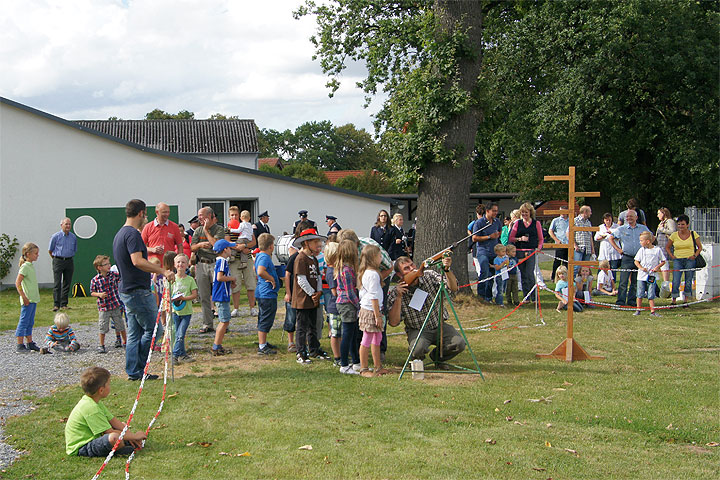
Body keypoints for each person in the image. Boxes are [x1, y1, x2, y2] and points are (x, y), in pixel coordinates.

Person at [113, 199, 173, 381]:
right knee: (154, 330)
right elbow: (137, 261)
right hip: (137, 291)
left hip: (127, 289)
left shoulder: (120, 234)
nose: (145, 217)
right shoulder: (132, 235)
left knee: (134, 333)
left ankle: (134, 371)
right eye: (145, 214)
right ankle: (139, 367)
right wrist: (162, 270)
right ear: (140, 213)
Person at [387, 255, 466, 365]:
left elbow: (453, 288)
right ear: (399, 275)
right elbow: (393, 322)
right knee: (417, 349)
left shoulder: (429, 275)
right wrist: (399, 297)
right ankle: (417, 362)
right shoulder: (396, 292)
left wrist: (447, 270)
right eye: (406, 268)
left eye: (412, 265)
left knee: (459, 343)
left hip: (439, 325)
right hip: (418, 330)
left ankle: (437, 358)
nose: (412, 269)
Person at [65, 367, 146, 457]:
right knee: (114, 437)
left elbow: (114, 421)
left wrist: (130, 435)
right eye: (108, 384)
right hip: (82, 447)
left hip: (95, 438)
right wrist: (135, 436)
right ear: (101, 390)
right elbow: (108, 432)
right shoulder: (91, 408)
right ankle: (118, 449)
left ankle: (124, 443)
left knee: (122, 426)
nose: (110, 386)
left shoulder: (95, 402)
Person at [291, 227, 326, 364]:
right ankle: (301, 351)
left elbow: (317, 276)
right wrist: (312, 294)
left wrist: (318, 292)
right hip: (303, 299)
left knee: (313, 325)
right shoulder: (301, 258)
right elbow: (301, 279)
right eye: (315, 241)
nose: (318, 244)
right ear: (306, 243)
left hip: (313, 298)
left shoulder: (314, 259)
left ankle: (314, 349)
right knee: (302, 326)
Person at [190, 206, 225, 334]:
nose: (200, 218)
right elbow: (192, 247)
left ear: (210, 216)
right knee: (204, 296)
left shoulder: (219, 229)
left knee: (219, 295)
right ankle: (207, 324)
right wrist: (199, 245)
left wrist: (206, 231)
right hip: (201, 264)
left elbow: (216, 245)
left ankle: (223, 323)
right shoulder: (197, 231)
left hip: (215, 263)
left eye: (202, 216)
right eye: (199, 216)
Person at [608, 209, 650, 307]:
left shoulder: (643, 228)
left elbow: (652, 237)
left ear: (636, 217)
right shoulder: (621, 229)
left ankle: (632, 301)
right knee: (623, 281)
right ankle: (621, 301)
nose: (628, 218)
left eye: (631, 216)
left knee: (635, 281)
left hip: (639, 259)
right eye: (627, 217)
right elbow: (611, 238)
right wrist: (618, 249)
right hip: (627, 257)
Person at [357, 244, 387, 377]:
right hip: (371, 311)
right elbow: (373, 297)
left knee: (377, 337)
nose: (381, 258)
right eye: (380, 256)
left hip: (373, 309)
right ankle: (363, 368)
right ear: (373, 258)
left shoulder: (367, 273)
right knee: (367, 339)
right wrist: (377, 316)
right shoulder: (372, 275)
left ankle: (377, 366)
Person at [90, 255, 126, 353]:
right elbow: (92, 292)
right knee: (103, 326)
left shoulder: (114, 275)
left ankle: (125, 341)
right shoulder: (95, 280)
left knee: (120, 324)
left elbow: (121, 278)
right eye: (106, 264)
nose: (109, 266)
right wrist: (99, 294)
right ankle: (101, 345)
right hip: (103, 307)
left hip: (115, 305)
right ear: (99, 267)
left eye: (109, 263)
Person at [508, 202, 544, 302]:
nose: (524, 214)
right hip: (520, 251)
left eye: (526, 212)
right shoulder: (517, 223)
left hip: (531, 251)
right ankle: (526, 296)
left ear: (530, 213)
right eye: (522, 212)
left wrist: (539, 248)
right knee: (523, 274)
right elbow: (511, 237)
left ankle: (534, 297)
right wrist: (519, 239)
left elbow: (541, 239)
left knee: (530, 274)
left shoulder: (536, 223)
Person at [335, 239, 361, 375]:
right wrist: (359, 306)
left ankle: (356, 361)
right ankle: (344, 364)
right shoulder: (347, 270)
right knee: (347, 334)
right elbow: (350, 292)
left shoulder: (344, 268)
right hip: (347, 304)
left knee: (352, 334)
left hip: (346, 303)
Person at [665, 214, 703, 306]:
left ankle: (686, 300)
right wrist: (672, 256)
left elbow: (699, 247)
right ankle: (674, 300)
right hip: (678, 259)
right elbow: (667, 247)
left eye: (682, 224)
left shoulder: (693, 234)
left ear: (687, 225)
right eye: (679, 224)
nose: (680, 226)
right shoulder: (674, 235)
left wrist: (694, 255)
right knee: (676, 280)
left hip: (690, 259)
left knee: (688, 280)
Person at [226, 208, 257, 318]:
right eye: (232, 215)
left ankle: (252, 308)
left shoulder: (246, 226)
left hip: (247, 259)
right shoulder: (228, 229)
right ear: (229, 216)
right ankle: (236, 308)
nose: (234, 217)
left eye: (236, 215)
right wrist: (238, 247)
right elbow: (227, 242)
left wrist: (245, 246)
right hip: (234, 261)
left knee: (251, 283)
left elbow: (253, 241)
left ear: (239, 216)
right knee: (236, 284)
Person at [209, 239, 236, 355]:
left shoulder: (221, 261)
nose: (231, 250)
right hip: (221, 295)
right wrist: (232, 278)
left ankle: (218, 345)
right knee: (224, 321)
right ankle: (216, 346)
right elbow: (220, 277)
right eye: (229, 248)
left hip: (221, 294)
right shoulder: (223, 261)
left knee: (225, 320)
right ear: (225, 250)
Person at [254, 233, 280, 356]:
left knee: (263, 316)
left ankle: (262, 341)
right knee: (266, 317)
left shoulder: (259, 255)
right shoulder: (264, 257)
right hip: (267, 293)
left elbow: (255, 269)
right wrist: (271, 279)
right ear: (270, 246)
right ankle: (262, 345)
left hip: (262, 292)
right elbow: (260, 271)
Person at [471, 202, 502, 303]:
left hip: (494, 252)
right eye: (494, 211)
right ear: (487, 211)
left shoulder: (497, 222)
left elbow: (500, 232)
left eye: (496, 211)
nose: (495, 213)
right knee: (484, 272)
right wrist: (489, 237)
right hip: (483, 251)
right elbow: (474, 238)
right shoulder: (479, 223)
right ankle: (481, 296)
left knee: (492, 274)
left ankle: (488, 297)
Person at [170, 253, 197, 364]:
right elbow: (168, 295)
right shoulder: (172, 279)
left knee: (181, 334)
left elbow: (194, 295)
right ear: (174, 264)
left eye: (183, 262)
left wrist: (184, 298)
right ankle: (182, 354)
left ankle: (175, 356)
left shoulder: (190, 280)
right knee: (177, 334)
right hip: (175, 312)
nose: (180, 264)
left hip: (186, 312)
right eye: (178, 262)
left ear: (187, 265)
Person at [15, 242, 41, 353]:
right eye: (35, 253)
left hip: (33, 299)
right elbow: (18, 283)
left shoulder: (30, 266)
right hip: (28, 300)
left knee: (30, 321)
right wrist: (24, 297)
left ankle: (30, 342)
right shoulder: (25, 267)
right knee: (24, 321)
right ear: (28, 254)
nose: (37, 255)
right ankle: (19, 344)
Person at [48, 217, 77, 312]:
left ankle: (64, 304)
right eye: (66, 224)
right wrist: (56, 259)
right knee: (57, 283)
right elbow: (50, 250)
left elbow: (74, 249)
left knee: (67, 283)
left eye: (69, 224)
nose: (68, 226)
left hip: (69, 261)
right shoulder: (55, 236)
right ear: (61, 225)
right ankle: (56, 304)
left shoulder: (73, 237)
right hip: (58, 260)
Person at [634, 231, 666, 316]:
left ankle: (652, 311)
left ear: (648, 241)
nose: (640, 242)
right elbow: (636, 261)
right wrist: (641, 268)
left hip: (652, 276)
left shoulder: (657, 250)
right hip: (641, 276)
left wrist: (657, 267)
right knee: (640, 293)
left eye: (641, 240)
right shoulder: (641, 250)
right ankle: (638, 310)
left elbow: (663, 261)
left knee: (651, 293)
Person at [323, 241, 342, 365]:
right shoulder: (331, 271)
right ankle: (337, 357)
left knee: (341, 333)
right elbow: (334, 292)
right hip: (334, 307)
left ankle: (342, 354)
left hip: (340, 306)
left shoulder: (336, 269)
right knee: (335, 333)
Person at [594, 213, 621, 280]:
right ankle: (600, 283)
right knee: (602, 268)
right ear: (604, 220)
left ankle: (613, 285)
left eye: (609, 220)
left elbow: (620, 237)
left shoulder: (617, 227)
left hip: (613, 251)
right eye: (606, 220)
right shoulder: (601, 227)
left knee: (613, 269)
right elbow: (596, 238)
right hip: (604, 251)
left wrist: (612, 234)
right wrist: (602, 237)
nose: (608, 221)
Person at [573, 206, 596, 276]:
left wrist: (592, 249)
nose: (591, 213)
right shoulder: (575, 221)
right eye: (590, 211)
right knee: (576, 267)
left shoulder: (588, 222)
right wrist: (574, 245)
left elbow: (590, 236)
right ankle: (572, 284)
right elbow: (569, 234)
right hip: (579, 248)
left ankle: (583, 284)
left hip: (587, 248)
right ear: (585, 212)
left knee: (585, 268)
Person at [548, 206, 569, 282]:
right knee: (557, 261)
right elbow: (550, 231)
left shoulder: (571, 220)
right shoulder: (556, 220)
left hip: (568, 244)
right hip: (560, 244)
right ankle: (554, 277)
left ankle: (566, 277)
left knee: (566, 262)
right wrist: (556, 240)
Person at [655, 208, 676, 283]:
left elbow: (673, 231)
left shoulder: (669, 221)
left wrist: (662, 229)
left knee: (664, 263)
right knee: (662, 263)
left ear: (663, 213)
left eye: (659, 213)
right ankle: (665, 282)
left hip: (666, 245)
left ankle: (666, 282)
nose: (657, 215)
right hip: (660, 245)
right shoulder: (661, 222)